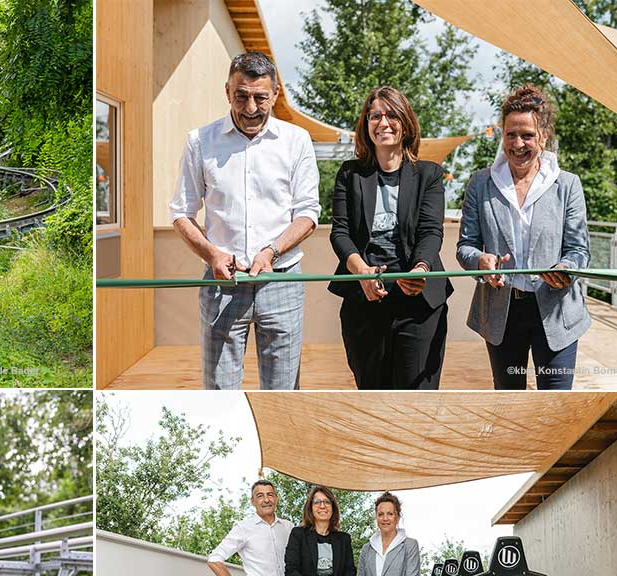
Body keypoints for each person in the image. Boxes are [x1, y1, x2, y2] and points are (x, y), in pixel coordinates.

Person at [170, 50, 320, 390]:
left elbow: (308, 213)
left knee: (282, 393)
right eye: (241, 96)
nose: (250, 108)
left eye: (260, 98)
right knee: (219, 392)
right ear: (227, 92)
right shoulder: (200, 142)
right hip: (223, 283)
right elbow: (181, 213)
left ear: (276, 95)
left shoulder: (297, 141)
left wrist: (272, 251)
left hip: (282, 280)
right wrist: (212, 254)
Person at [457, 83, 590, 389]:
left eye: (527, 135)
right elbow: (465, 246)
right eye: (510, 134)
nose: (518, 143)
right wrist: (480, 261)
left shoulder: (568, 185)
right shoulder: (480, 184)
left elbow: (579, 250)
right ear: (502, 135)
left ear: (543, 136)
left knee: (555, 406)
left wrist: (565, 269)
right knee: (509, 402)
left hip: (556, 312)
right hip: (502, 315)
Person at [329, 86, 452, 389]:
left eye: (392, 114)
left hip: (419, 302)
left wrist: (420, 268)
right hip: (365, 300)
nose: (383, 122)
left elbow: (431, 231)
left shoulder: (429, 175)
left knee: (417, 397)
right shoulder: (350, 174)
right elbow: (340, 232)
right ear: (366, 124)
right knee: (372, 393)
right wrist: (361, 273)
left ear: (406, 121)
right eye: (375, 116)